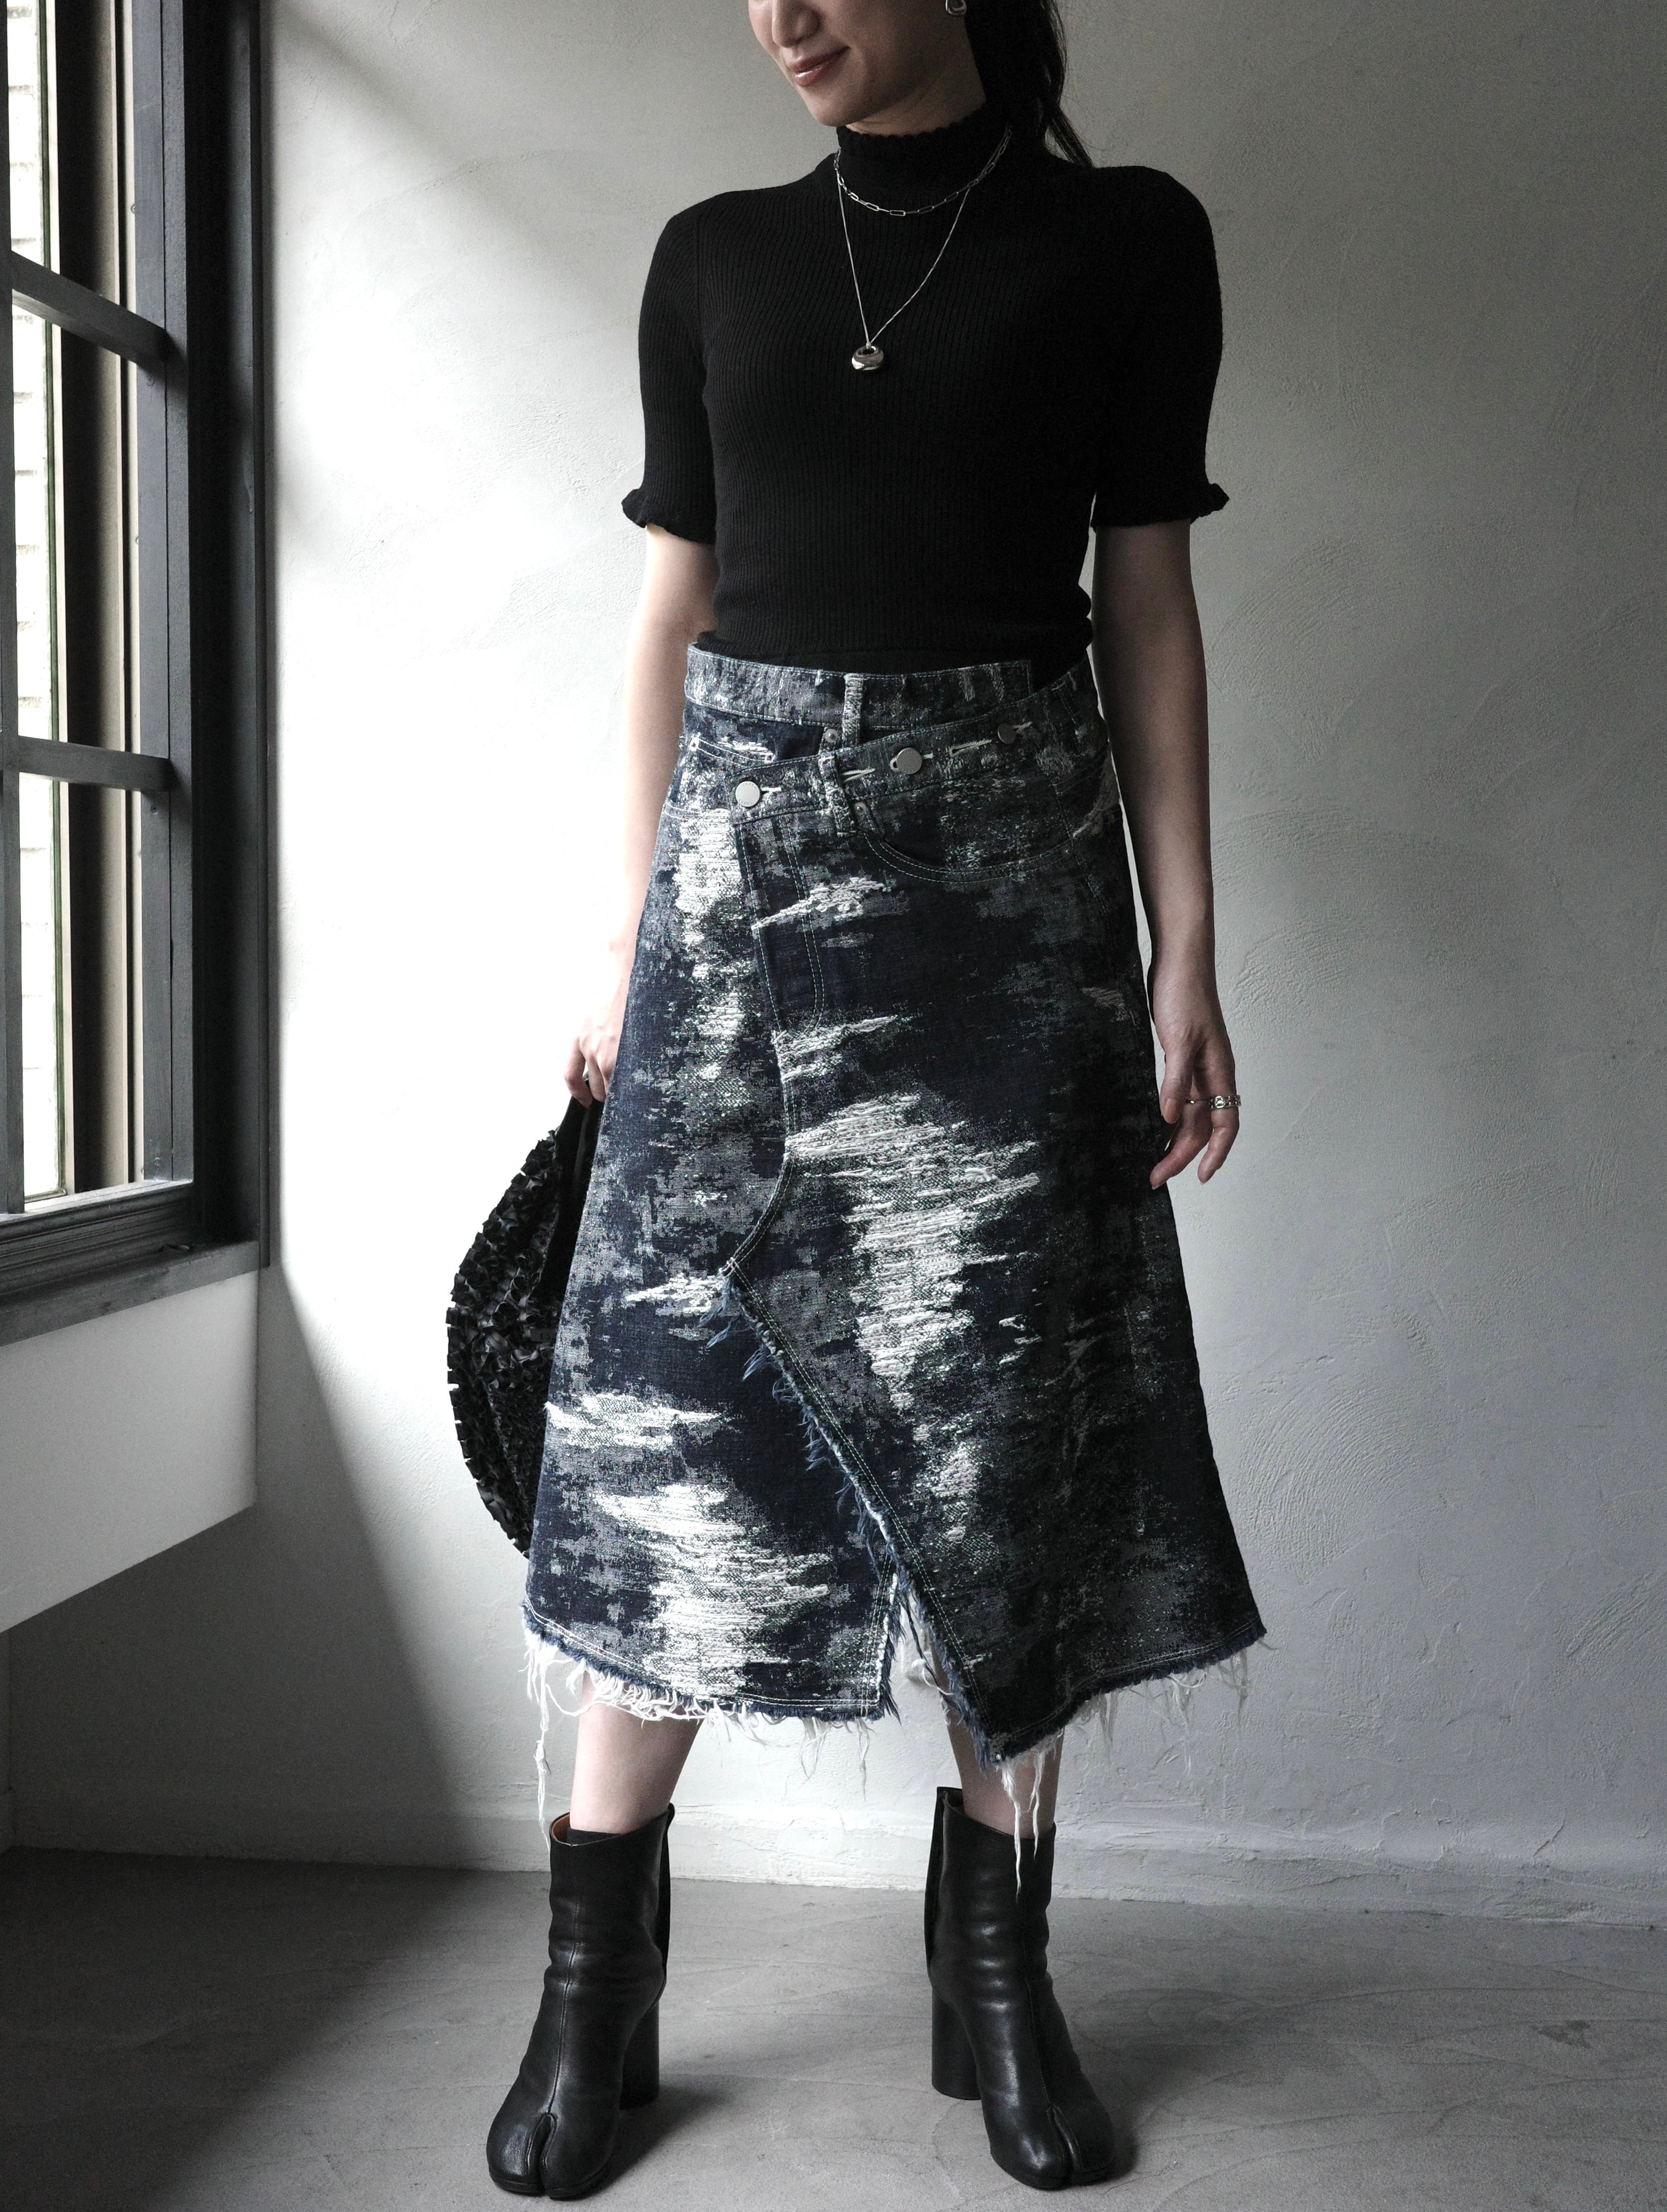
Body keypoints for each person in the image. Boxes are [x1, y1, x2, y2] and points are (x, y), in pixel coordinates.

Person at [488, 0, 1266, 2194]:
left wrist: (1185, 945)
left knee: (1004, 1429)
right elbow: (670, 614)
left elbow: (1146, 606)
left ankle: (996, 1963)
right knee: (665, 1438)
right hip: (728, 914)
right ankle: (595, 1980)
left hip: (1010, 916)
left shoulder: (1125, 240)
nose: (784, 13)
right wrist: (621, 941)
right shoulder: (715, 256)